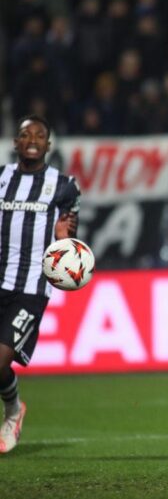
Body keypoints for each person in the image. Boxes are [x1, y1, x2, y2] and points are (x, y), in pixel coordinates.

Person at [0, 115, 80, 453]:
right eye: (24, 134)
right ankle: (15, 407)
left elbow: (71, 245)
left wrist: (64, 238)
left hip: (31, 288)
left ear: (48, 144)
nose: (31, 139)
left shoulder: (64, 186)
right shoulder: (1, 178)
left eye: (39, 135)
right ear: (15, 142)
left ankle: (13, 410)